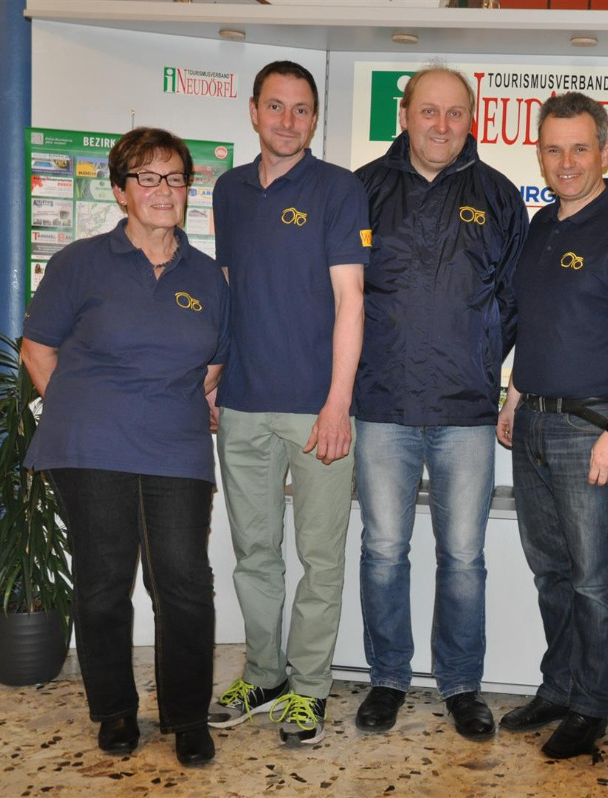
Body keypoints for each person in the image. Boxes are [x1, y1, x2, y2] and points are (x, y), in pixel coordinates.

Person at [22, 127, 228, 767]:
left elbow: (213, 366)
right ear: (120, 191)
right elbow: (38, 349)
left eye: (175, 178)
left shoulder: (209, 276)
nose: (164, 190)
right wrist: (84, 408)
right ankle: (113, 710)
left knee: (186, 583)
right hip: (91, 448)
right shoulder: (79, 262)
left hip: (176, 449)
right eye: (147, 177)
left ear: (188, 189)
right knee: (104, 582)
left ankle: (186, 716)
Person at [351, 65, 527, 741]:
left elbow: (514, 300)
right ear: (405, 114)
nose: (442, 125)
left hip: (466, 410)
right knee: (383, 551)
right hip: (382, 405)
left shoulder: (499, 195)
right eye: (429, 111)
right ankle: (388, 678)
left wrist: (480, 357)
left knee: (462, 558)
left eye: (455, 113)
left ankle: (460, 685)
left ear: (471, 119)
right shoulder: (362, 190)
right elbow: (342, 297)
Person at [497, 92, 608, 760]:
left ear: (605, 151)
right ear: (540, 155)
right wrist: (514, 399)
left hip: (595, 429)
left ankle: (592, 706)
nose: (565, 162)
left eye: (579, 148)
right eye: (553, 149)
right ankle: (560, 687)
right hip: (535, 424)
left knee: (595, 579)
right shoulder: (541, 225)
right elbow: (536, 327)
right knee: (552, 571)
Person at [207, 60, 370, 746]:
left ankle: (309, 690)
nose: (288, 120)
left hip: (314, 410)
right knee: (254, 553)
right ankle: (264, 674)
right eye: (275, 106)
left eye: (301, 109)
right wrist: (213, 376)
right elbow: (225, 288)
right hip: (242, 403)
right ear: (253, 111)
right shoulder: (228, 190)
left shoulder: (339, 189)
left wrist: (338, 404)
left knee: (320, 558)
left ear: (315, 118)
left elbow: (351, 301)